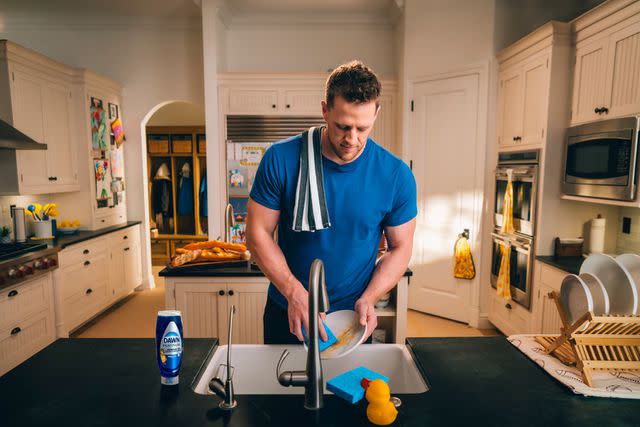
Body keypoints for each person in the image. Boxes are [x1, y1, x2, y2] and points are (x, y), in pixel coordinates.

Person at [246, 60, 417, 345]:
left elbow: (401, 247)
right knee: (280, 390)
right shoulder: (280, 159)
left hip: (353, 317)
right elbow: (257, 233)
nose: (352, 139)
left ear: (376, 113)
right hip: (290, 311)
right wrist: (293, 292)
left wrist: (370, 297)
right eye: (343, 126)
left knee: (348, 390)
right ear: (325, 110)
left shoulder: (396, 175)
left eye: (363, 128)